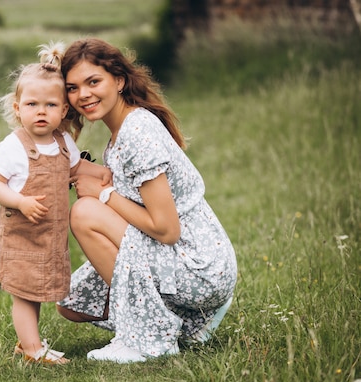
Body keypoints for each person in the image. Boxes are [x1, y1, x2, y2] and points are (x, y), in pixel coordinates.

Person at [56, 38, 237, 363]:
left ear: (120, 81)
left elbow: (166, 229)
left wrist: (104, 196)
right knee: (72, 302)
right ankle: (188, 323)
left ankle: (147, 337)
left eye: (93, 82)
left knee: (85, 213)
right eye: (72, 88)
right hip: (178, 256)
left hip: (199, 265)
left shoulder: (138, 133)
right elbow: (109, 179)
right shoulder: (123, 131)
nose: (83, 94)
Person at [0, 42, 111, 365]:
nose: (41, 111)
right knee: (26, 295)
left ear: (64, 110)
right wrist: (21, 201)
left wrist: (107, 172)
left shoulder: (62, 142)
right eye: (32, 104)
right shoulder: (12, 147)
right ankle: (32, 349)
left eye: (50, 105)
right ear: (17, 108)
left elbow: (76, 169)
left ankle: (29, 342)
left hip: (49, 239)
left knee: (36, 293)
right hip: (23, 237)